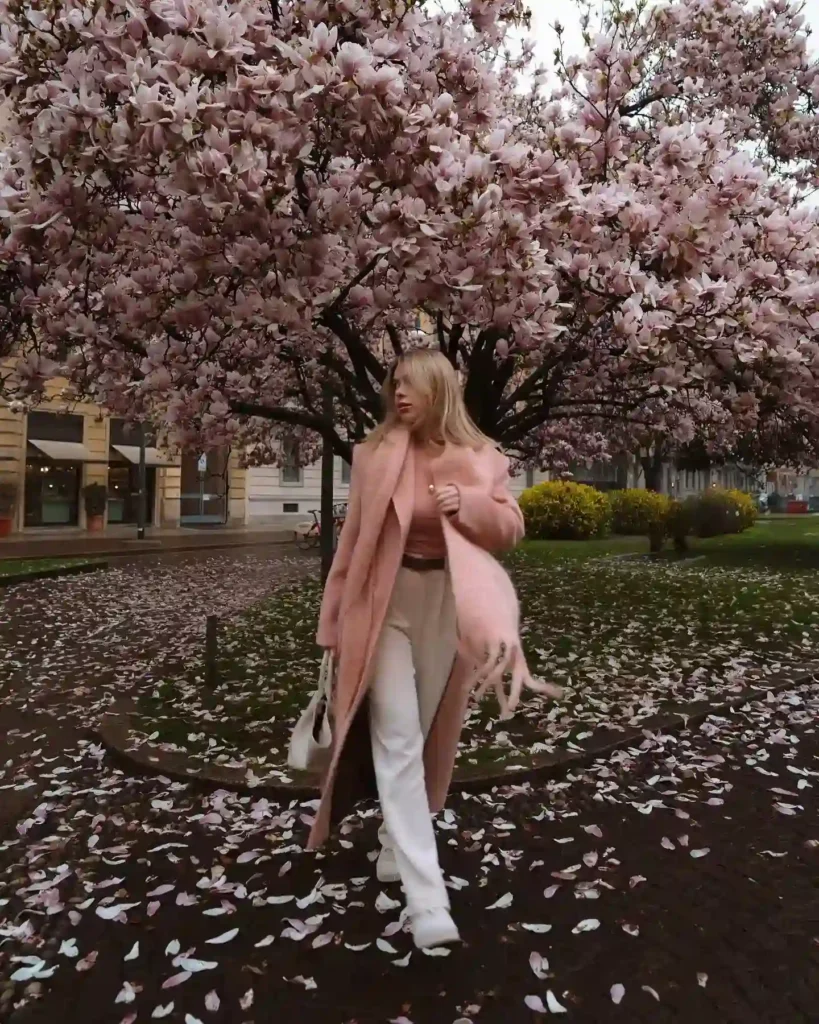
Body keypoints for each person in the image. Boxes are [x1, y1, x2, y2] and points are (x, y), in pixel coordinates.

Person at [306, 349, 560, 949]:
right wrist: (332, 625)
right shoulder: (374, 455)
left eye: (411, 385)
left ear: (438, 390)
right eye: (395, 385)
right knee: (394, 733)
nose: (398, 395)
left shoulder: (479, 456)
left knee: (420, 733)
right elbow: (353, 546)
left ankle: (397, 840)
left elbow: (510, 527)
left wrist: (466, 505)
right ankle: (428, 902)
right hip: (385, 604)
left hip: (448, 603)